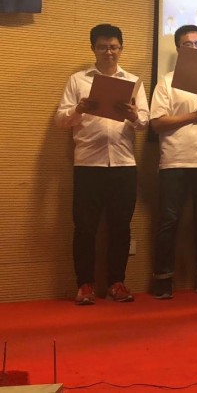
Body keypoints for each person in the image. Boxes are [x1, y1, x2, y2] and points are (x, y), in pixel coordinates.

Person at [55, 23, 149, 305]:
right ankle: (85, 284)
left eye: (114, 47)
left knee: (121, 226)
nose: (109, 52)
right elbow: (60, 120)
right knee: (85, 227)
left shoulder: (133, 81)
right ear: (93, 49)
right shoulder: (77, 80)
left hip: (123, 163)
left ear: (121, 48)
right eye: (103, 47)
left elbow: (145, 122)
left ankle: (117, 283)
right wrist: (79, 109)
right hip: (88, 164)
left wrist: (133, 115)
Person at [149, 24, 197, 299]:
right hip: (175, 160)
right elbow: (157, 123)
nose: (195, 48)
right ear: (179, 50)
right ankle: (162, 279)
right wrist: (195, 115)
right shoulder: (167, 82)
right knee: (168, 221)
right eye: (188, 44)